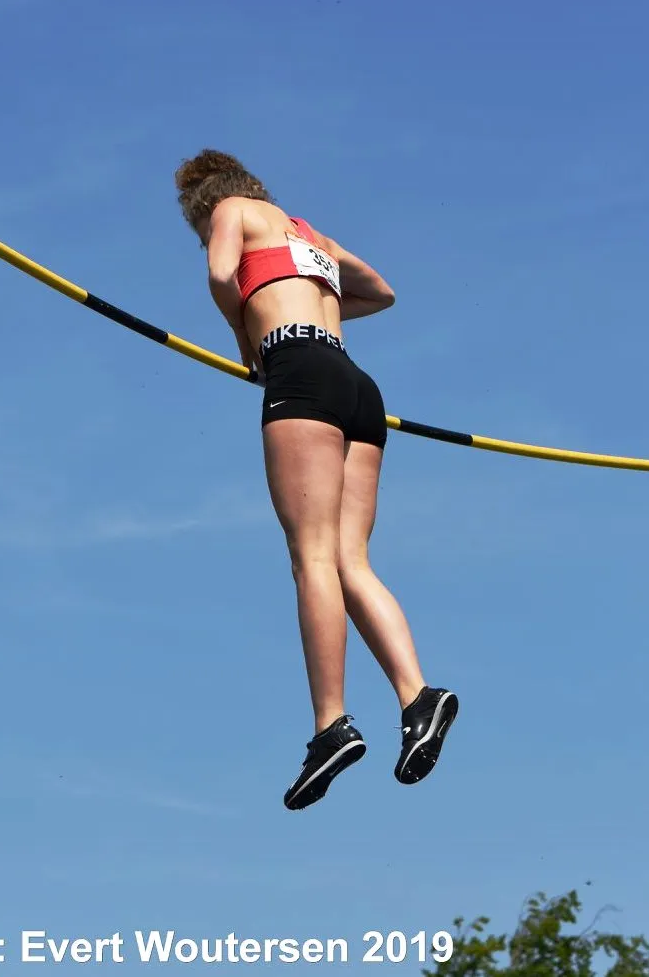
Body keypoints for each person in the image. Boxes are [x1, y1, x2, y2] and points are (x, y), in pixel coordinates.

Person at [173, 149, 460, 810]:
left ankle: (331, 724)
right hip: (356, 385)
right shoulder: (310, 236)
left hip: (297, 371)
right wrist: (299, 295)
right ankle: (417, 695)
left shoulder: (230, 211)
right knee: (349, 560)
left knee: (311, 558)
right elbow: (380, 293)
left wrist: (245, 334)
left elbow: (220, 273)